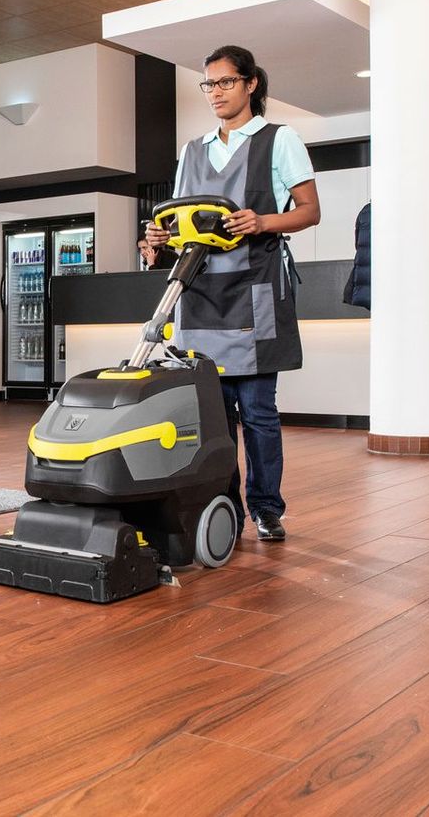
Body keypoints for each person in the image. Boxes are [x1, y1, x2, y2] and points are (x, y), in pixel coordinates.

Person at [145, 45, 320, 542]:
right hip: (200, 292)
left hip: (254, 291)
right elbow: (181, 220)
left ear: (251, 85)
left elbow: (309, 210)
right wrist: (157, 239)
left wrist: (264, 220)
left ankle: (266, 507)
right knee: (214, 418)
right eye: (209, 84)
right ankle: (222, 509)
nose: (216, 93)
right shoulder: (192, 150)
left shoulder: (279, 140)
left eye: (225, 82)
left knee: (258, 411)